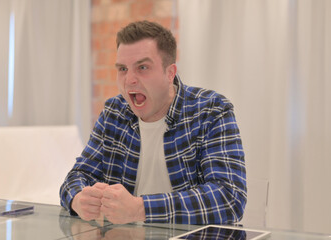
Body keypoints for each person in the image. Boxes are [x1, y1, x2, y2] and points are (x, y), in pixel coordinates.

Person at [60, 20, 247, 224]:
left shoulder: (211, 110)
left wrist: (140, 209)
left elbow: (229, 198)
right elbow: (77, 176)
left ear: (170, 73)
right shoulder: (114, 113)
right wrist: (78, 199)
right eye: (122, 68)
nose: (129, 79)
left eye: (142, 67)